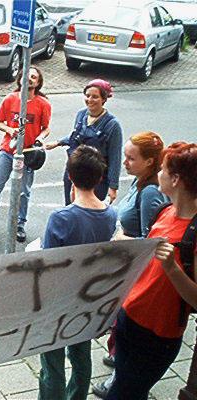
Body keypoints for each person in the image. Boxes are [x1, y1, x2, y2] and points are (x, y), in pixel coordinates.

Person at [106, 142, 197, 400]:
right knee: (128, 388)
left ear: (176, 180)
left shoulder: (194, 232)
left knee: (124, 393)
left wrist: (172, 268)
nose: (159, 173)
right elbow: (149, 261)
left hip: (157, 336)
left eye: (164, 170)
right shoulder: (165, 211)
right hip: (129, 319)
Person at [92, 131, 168, 398]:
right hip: (127, 267)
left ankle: (118, 378)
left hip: (137, 273)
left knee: (127, 327)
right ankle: (118, 359)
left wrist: (122, 237)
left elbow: (153, 240)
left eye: (131, 158)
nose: (125, 162)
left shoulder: (150, 192)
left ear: (149, 162)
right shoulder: (139, 182)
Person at [38, 145, 117, 400]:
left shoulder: (61, 218)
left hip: (58, 302)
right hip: (88, 300)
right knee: (81, 355)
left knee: (52, 361)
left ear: (69, 176)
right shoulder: (110, 214)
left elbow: (48, 265)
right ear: (100, 178)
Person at [0, 66, 52, 242]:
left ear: (39, 82)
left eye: (34, 77)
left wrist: (39, 139)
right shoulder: (10, 99)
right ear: (20, 79)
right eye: (27, 76)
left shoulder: (43, 104)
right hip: (8, 151)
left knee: (23, 193)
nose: (30, 79)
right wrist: (10, 129)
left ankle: (19, 225)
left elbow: (46, 128)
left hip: (28, 154)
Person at [46, 79, 122, 205]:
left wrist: (113, 187)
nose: (90, 100)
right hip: (74, 172)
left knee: (89, 212)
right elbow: (75, 136)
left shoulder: (112, 125)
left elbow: (115, 157)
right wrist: (58, 142)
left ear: (104, 99)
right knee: (70, 208)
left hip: (95, 177)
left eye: (95, 97)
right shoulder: (81, 115)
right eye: (87, 96)